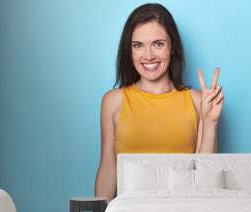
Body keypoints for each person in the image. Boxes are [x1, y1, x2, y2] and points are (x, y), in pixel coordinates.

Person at [95, 3, 224, 201]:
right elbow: (108, 168)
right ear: (129, 50)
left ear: (172, 47)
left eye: (158, 43)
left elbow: (205, 177)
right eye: (138, 45)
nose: (148, 55)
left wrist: (211, 123)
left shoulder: (198, 101)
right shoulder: (113, 101)